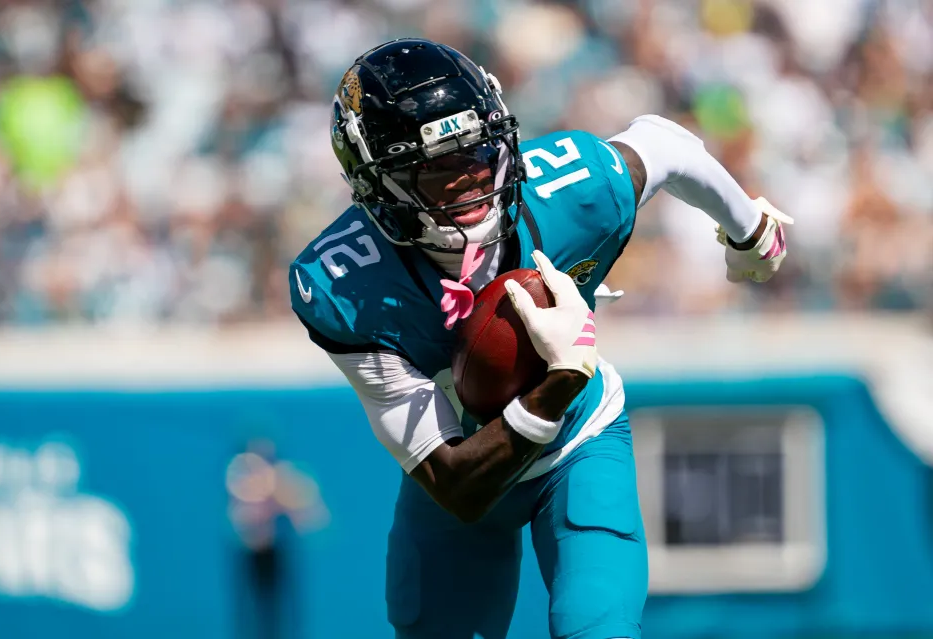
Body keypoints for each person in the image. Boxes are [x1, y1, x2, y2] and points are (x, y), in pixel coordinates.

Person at [289, 38, 791, 639]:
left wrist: (750, 230)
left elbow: (666, 145)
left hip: (580, 442)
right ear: (379, 182)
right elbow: (456, 484)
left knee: (596, 629)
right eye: (438, 166)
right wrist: (556, 382)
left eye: (477, 152)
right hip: (466, 467)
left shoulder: (574, 190)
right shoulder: (346, 288)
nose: (471, 178)